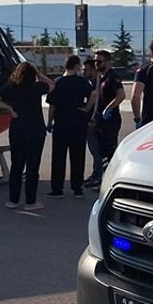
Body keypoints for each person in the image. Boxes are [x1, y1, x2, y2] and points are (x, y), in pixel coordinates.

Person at [0, 62, 54, 210]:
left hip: (17, 128)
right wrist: (39, 74)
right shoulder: (37, 87)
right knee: (32, 166)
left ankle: (13, 200)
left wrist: (10, 108)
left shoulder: (12, 87)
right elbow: (52, 85)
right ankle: (30, 202)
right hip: (35, 130)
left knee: (17, 165)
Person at [45, 55, 95, 199]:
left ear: (65, 66)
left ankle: (57, 189)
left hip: (61, 123)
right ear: (77, 66)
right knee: (78, 156)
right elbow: (94, 94)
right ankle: (77, 188)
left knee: (58, 156)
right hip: (78, 123)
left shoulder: (57, 83)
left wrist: (49, 122)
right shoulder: (82, 82)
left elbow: (52, 106)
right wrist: (86, 109)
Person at [84, 49, 125, 189]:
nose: (96, 64)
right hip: (100, 121)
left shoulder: (112, 77)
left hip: (110, 122)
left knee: (109, 153)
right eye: (95, 61)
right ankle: (99, 179)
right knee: (100, 152)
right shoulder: (100, 78)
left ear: (108, 62)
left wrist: (109, 108)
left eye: (99, 61)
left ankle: (109, 183)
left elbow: (121, 95)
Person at [81, 58, 103, 184]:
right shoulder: (88, 83)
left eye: (86, 70)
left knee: (97, 151)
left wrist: (91, 117)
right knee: (94, 150)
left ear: (93, 70)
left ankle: (98, 176)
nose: (84, 72)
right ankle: (96, 174)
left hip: (95, 122)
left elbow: (96, 101)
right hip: (90, 120)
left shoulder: (96, 84)